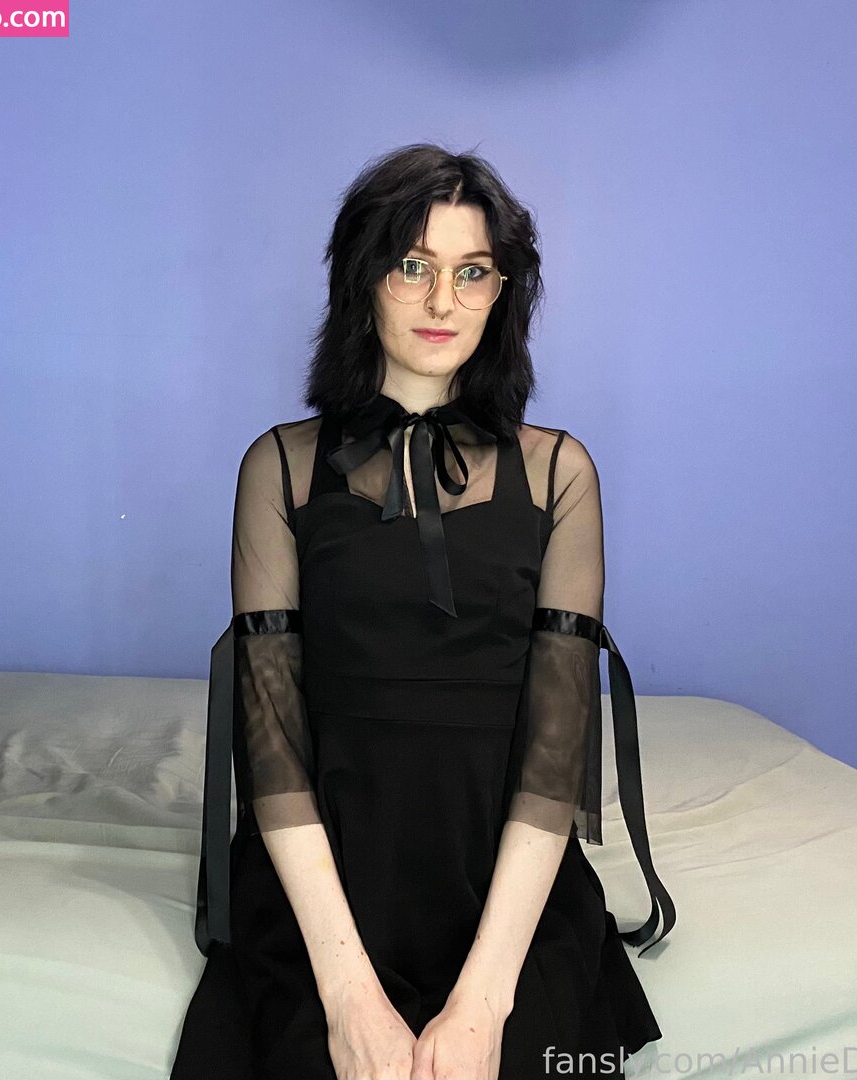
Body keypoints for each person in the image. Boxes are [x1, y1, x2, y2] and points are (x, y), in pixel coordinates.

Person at [170, 142, 676, 1080]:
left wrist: (483, 1002)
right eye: (413, 266)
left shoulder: (560, 472)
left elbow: (554, 753)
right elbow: (272, 745)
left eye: (472, 272)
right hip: (324, 890)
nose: (443, 300)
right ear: (363, 278)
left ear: (501, 292)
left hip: (502, 893)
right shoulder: (278, 466)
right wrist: (348, 996)